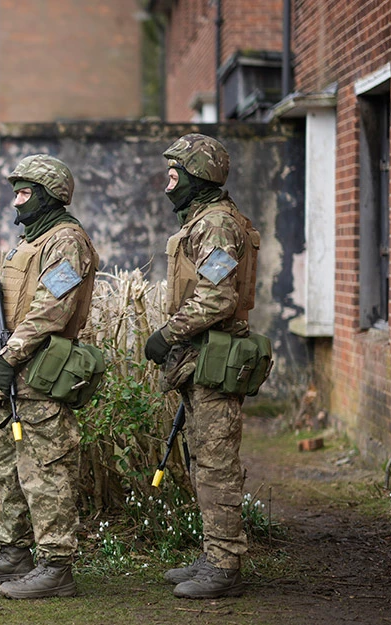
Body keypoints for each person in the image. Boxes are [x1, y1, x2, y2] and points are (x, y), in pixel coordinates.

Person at [0, 154, 98, 599]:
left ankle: (56, 567)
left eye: (24, 192)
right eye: (15, 191)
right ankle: (12, 552)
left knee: (47, 470)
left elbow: (50, 311)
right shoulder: (30, 241)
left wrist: (12, 354)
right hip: (13, 372)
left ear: (48, 195)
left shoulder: (67, 241)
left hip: (39, 371)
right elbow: (21, 300)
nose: (17, 201)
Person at [144, 133, 260, 599]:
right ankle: (214, 554)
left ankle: (225, 565)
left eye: (175, 176)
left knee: (215, 464)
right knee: (202, 461)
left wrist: (167, 334)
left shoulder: (214, 225)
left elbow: (217, 295)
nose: (168, 185)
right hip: (199, 359)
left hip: (213, 358)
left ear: (198, 176)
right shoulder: (203, 222)